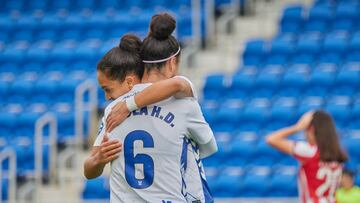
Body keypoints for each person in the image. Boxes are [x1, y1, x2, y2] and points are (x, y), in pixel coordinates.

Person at [84, 22, 216, 202]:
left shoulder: (113, 110)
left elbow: (89, 171)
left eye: (107, 90)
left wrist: (98, 159)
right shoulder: (182, 103)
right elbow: (209, 146)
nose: (107, 97)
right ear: (171, 63)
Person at [266, 110, 348, 203]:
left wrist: (297, 127)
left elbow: (271, 139)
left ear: (312, 129)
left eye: (305, 130)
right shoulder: (338, 154)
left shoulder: (310, 151)